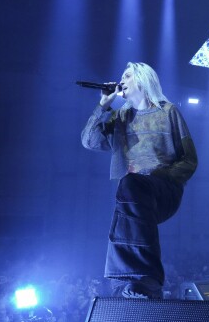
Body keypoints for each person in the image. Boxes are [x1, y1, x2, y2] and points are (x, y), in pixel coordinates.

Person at [82, 62, 198, 299]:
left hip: (164, 191)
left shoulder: (168, 111)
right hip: (132, 194)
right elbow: (89, 141)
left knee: (131, 184)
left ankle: (149, 278)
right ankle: (130, 283)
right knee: (126, 196)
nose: (120, 80)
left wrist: (161, 175)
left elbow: (189, 160)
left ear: (143, 80)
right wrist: (102, 106)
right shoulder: (120, 116)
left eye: (126, 75)